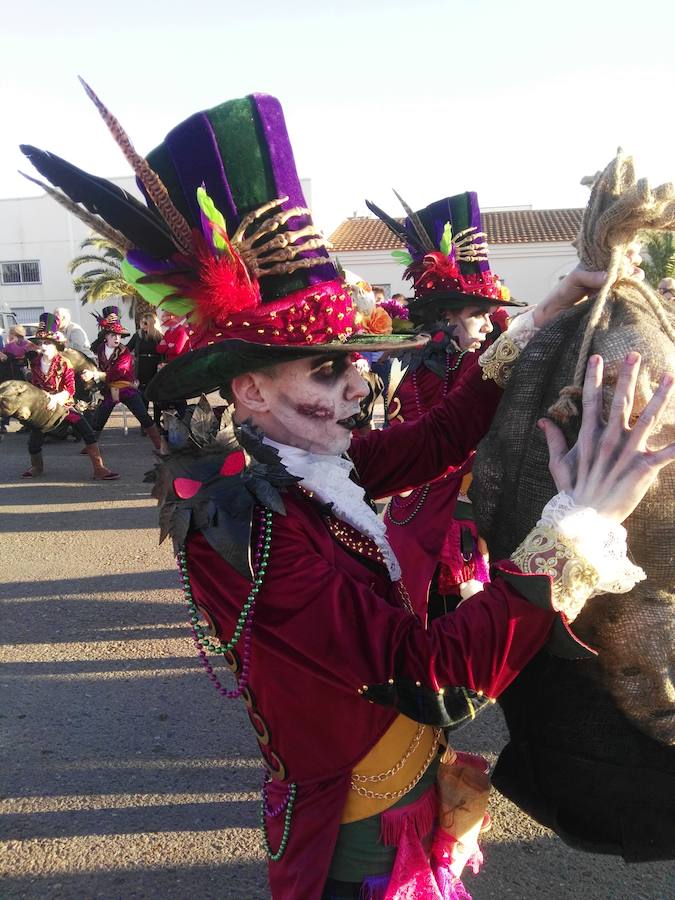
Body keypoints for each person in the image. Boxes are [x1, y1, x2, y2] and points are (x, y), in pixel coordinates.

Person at [23, 86, 675, 900]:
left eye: (356, 364)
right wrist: (578, 522)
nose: (360, 386)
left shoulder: (311, 464)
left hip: (403, 789)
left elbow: (438, 438)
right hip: (356, 828)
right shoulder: (245, 522)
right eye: (328, 370)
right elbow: (432, 677)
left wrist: (554, 304)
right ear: (251, 391)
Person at [368, 191, 524, 619]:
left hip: (463, 516)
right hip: (421, 519)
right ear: (446, 316)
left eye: (489, 314)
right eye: (477, 314)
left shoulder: (485, 363)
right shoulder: (408, 365)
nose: (487, 325)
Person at [21, 313, 118, 479]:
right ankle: (37, 466)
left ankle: (99, 469)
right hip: (44, 407)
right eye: (41, 343)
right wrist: (41, 399)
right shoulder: (35, 363)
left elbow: (70, 389)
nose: (43, 346)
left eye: (47, 343)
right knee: (34, 441)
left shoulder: (64, 363)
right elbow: (35, 387)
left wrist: (56, 398)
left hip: (64, 405)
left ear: (56, 345)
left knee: (88, 432)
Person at [83, 312, 162, 450]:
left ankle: (160, 445)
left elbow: (117, 373)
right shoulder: (101, 349)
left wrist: (95, 374)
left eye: (119, 335)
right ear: (106, 336)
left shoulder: (124, 352)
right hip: (109, 390)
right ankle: (91, 447)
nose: (117, 338)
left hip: (126, 389)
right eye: (113, 335)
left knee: (144, 417)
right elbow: (92, 349)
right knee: (99, 420)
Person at [126, 312, 164, 431]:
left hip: (155, 367)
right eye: (142, 322)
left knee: (156, 397)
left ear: (152, 323)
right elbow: (127, 348)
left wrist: (162, 364)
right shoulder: (138, 335)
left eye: (146, 322)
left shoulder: (159, 336)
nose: (143, 325)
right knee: (143, 397)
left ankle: (157, 423)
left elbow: (164, 353)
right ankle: (146, 424)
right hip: (141, 367)